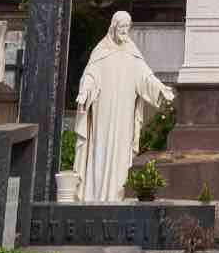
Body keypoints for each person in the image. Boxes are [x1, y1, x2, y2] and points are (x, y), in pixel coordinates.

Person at [73, 11, 175, 202]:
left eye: (127, 28)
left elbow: (146, 77)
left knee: (120, 157)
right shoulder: (100, 51)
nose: (124, 31)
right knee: (100, 152)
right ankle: (95, 196)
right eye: (121, 28)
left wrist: (161, 89)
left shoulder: (132, 52)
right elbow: (90, 75)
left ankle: (115, 197)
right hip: (103, 113)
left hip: (123, 116)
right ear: (113, 27)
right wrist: (84, 92)